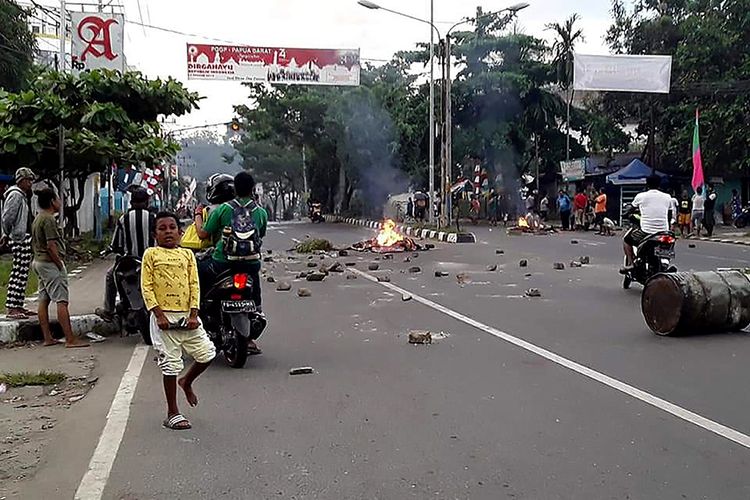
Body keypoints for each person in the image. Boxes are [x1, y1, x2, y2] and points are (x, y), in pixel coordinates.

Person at [142, 212, 215, 430]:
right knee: (171, 366)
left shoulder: (187, 256)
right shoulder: (151, 255)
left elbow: (194, 285)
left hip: (187, 317)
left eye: (172, 227)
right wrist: (159, 315)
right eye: (162, 228)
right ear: (155, 234)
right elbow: (146, 287)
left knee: (207, 354)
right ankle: (173, 412)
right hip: (164, 318)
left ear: (180, 232)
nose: (168, 232)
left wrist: (194, 314)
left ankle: (187, 382)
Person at [195, 172, 268, 354]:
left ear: (235, 189)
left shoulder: (223, 209)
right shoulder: (260, 212)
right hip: (251, 264)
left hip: (222, 263)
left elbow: (203, 234)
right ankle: (256, 308)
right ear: (253, 189)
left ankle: (196, 312)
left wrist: (197, 215)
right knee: (253, 280)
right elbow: (261, 234)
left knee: (197, 270)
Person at [31, 189, 89, 348]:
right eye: (58, 199)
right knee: (61, 301)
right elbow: (51, 245)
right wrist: (58, 263)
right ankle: (70, 339)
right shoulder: (49, 220)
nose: (60, 202)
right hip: (49, 263)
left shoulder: (38, 218)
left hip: (38, 262)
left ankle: (48, 337)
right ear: (52, 201)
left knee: (43, 300)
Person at [96, 188, 154, 321]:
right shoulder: (153, 218)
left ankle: (108, 311)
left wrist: (112, 249)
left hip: (129, 261)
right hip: (151, 260)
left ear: (132, 202)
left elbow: (117, 244)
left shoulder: (124, 219)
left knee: (111, 276)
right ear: (147, 201)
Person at [1, 168, 37, 319]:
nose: (30, 184)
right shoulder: (15, 195)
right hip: (18, 238)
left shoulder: (21, 195)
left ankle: (18, 304)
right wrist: (7, 234)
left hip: (22, 236)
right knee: (18, 272)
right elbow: (7, 217)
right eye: (28, 180)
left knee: (23, 273)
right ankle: (12, 307)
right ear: (21, 180)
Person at [621, 175, 673, 273]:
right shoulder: (667, 197)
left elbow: (630, 210)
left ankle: (631, 264)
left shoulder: (641, 196)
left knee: (626, 240)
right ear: (659, 184)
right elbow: (669, 215)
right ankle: (665, 262)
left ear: (647, 184)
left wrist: (624, 214)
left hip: (646, 232)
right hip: (664, 232)